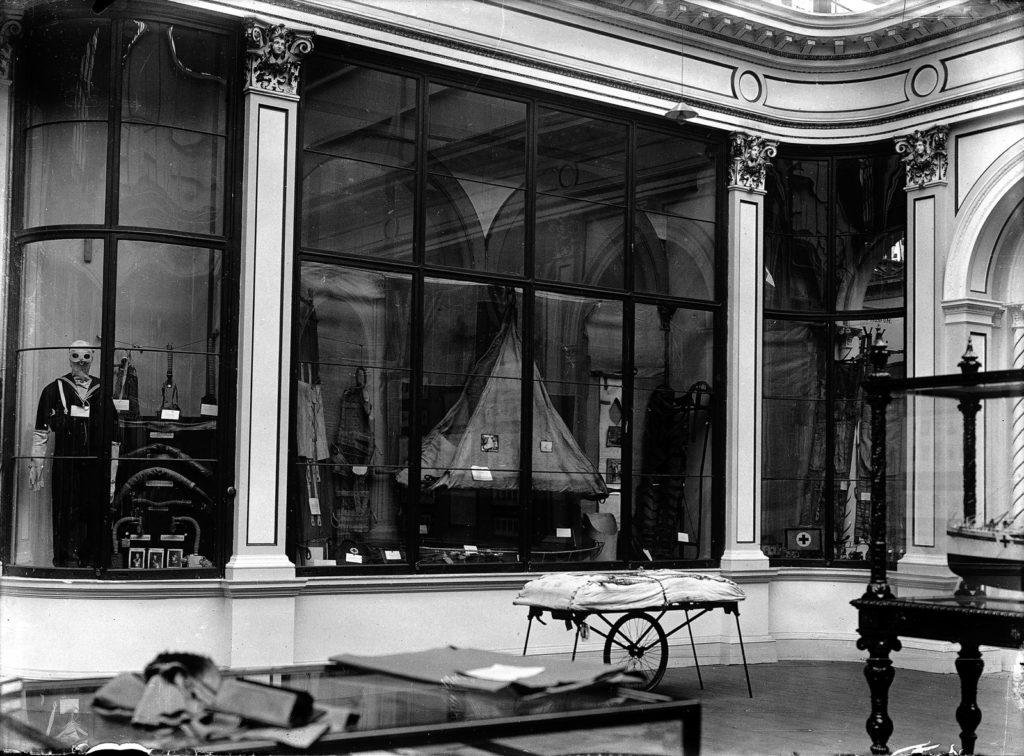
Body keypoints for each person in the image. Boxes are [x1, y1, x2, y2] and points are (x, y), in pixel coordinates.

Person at [28, 340, 103, 567]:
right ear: (69, 358)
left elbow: (114, 435)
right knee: (63, 509)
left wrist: (111, 474)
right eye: (75, 356)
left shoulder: (102, 389)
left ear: (92, 358)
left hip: (94, 462)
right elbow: (41, 432)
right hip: (65, 461)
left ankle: (90, 561)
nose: (81, 362)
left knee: (93, 510)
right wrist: (36, 466)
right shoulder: (53, 389)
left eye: (86, 356)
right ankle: (64, 562)